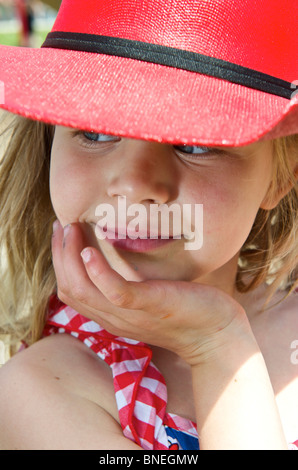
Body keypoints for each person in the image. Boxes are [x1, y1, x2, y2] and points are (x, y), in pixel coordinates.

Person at [0, 0, 297, 450]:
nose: (135, 186)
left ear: (282, 176)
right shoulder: (38, 392)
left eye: (194, 144)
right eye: (96, 132)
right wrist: (217, 346)